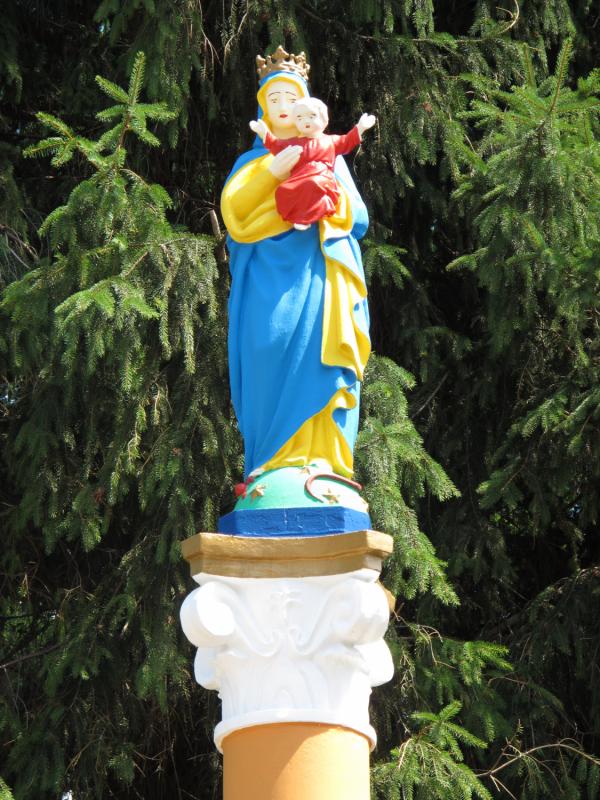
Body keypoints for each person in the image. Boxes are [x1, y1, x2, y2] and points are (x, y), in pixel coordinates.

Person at [220, 50, 371, 482]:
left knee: (321, 359)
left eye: (292, 97)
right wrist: (272, 173)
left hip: (318, 272)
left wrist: (322, 198)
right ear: (263, 109)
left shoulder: (329, 156)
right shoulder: (252, 163)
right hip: (267, 280)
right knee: (268, 348)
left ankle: (323, 462)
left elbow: (358, 216)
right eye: (274, 98)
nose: (284, 106)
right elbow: (235, 214)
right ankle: (269, 464)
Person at [249, 97, 376, 230]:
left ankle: (309, 216)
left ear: (323, 118)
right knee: (284, 190)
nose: (306, 121)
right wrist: (264, 133)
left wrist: (360, 128)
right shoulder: (293, 142)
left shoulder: (331, 141)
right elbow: (277, 145)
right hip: (299, 177)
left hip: (322, 178)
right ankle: (297, 216)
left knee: (313, 183)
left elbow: (347, 140)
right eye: (300, 118)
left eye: (311, 116)